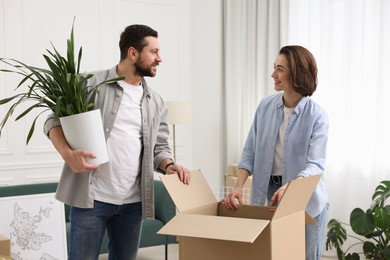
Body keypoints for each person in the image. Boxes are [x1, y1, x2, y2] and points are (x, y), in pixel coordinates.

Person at [44, 24, 191, 260]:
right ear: (133, 53)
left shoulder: (156, 102)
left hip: (133, 205)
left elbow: (159, 149)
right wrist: (67, 154)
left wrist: (168, 165)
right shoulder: (90, 84)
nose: (159, 58)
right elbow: (52, 120)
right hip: (91, 199)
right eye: (153, 52)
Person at [224, 45, 329, 260]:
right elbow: (250, 151)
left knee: (306, 257)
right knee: (272, 254)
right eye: (274, 67)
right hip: (270, 193)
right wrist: (238, 187)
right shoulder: (265, 106)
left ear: (297, 72)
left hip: (305, 195)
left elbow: (315, 164)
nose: (273, 74)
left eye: (280, 69)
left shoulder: (317, 116)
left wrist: (291, 186)